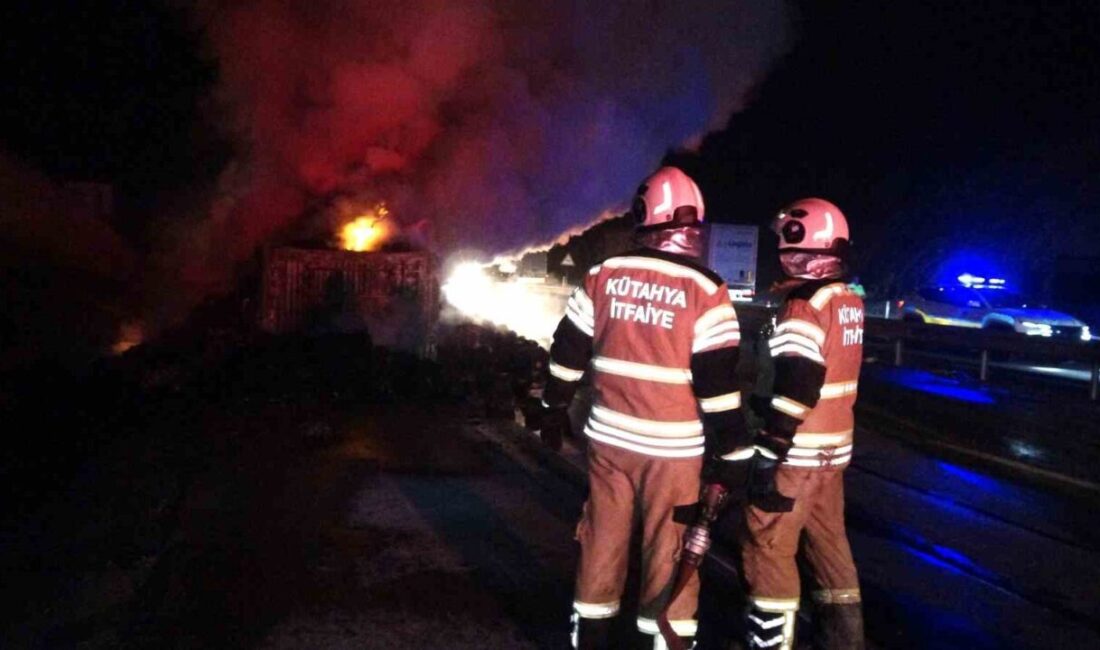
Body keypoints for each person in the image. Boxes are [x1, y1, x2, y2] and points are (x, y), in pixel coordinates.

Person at [540, 166, 755, 649]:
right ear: (692, 226)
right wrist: (735, 458)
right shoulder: (707, 291)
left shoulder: (603, 276)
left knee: (600, 547)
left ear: (643, 218)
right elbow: (718, 389)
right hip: (673, 455)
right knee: (669, 556)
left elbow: (566, 355)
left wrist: (552, 409)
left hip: (609, 445)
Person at [742, 198, 865, 650]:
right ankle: (845, 642)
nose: (781, 247)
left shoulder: (803, 306)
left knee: (769, 545)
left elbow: (798, 384)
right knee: (830, 547)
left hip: (798, 454)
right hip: (833, 452)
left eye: (787, 239)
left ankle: (770, 645)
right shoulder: (847, 298)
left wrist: (770, 449)